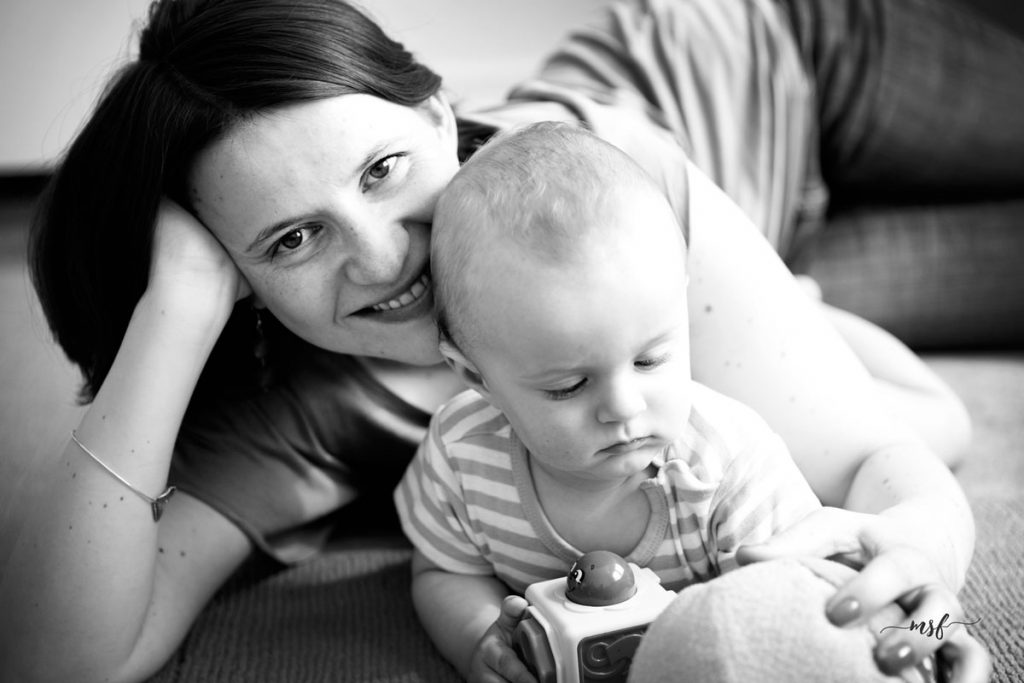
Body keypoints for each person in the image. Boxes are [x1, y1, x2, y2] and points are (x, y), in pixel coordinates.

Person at [0, 0, 1002, 680]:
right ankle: (784, 298)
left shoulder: (609, 167)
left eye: (386, 168)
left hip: (784, 51)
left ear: (440, 115)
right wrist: (171, 313)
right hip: (767, 218)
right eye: (293, 238)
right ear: (240, 282)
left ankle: (776, 301)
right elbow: (64, 657)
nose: (386, 258)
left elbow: (877, 469)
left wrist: (918, 558)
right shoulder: (294, 403)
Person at [394, 121, 825, 681]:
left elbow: (806, 595)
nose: (623, 407)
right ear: (475, 376)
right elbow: (443, 572)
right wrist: (479, 641)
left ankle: (820, 315)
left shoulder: (729, 468)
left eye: (650, 359)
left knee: (937, 422)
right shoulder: (460, 454)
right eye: (568, 386)